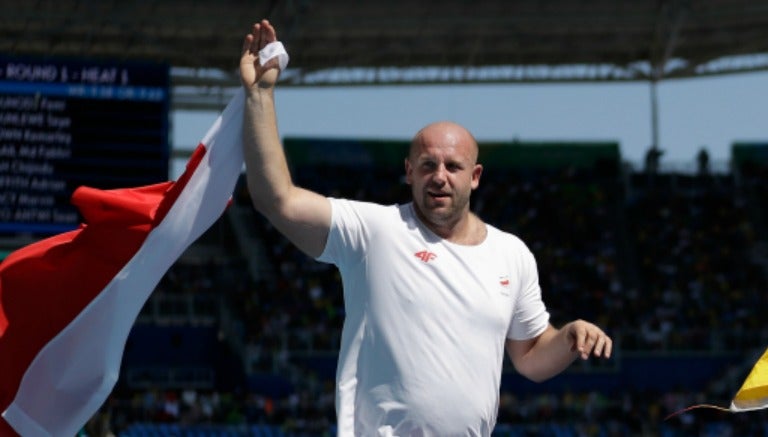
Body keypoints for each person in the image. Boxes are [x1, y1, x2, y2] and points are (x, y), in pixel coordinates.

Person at [239, 19, 613, 436]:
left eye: (453, 166)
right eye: (428, 165)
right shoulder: (373, 231)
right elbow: (277, 199)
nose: (440, 176)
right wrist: (261, 95)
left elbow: (530, 358)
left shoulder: (513, 255)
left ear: (475, 176)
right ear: (409, 172)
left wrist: (568, 336)